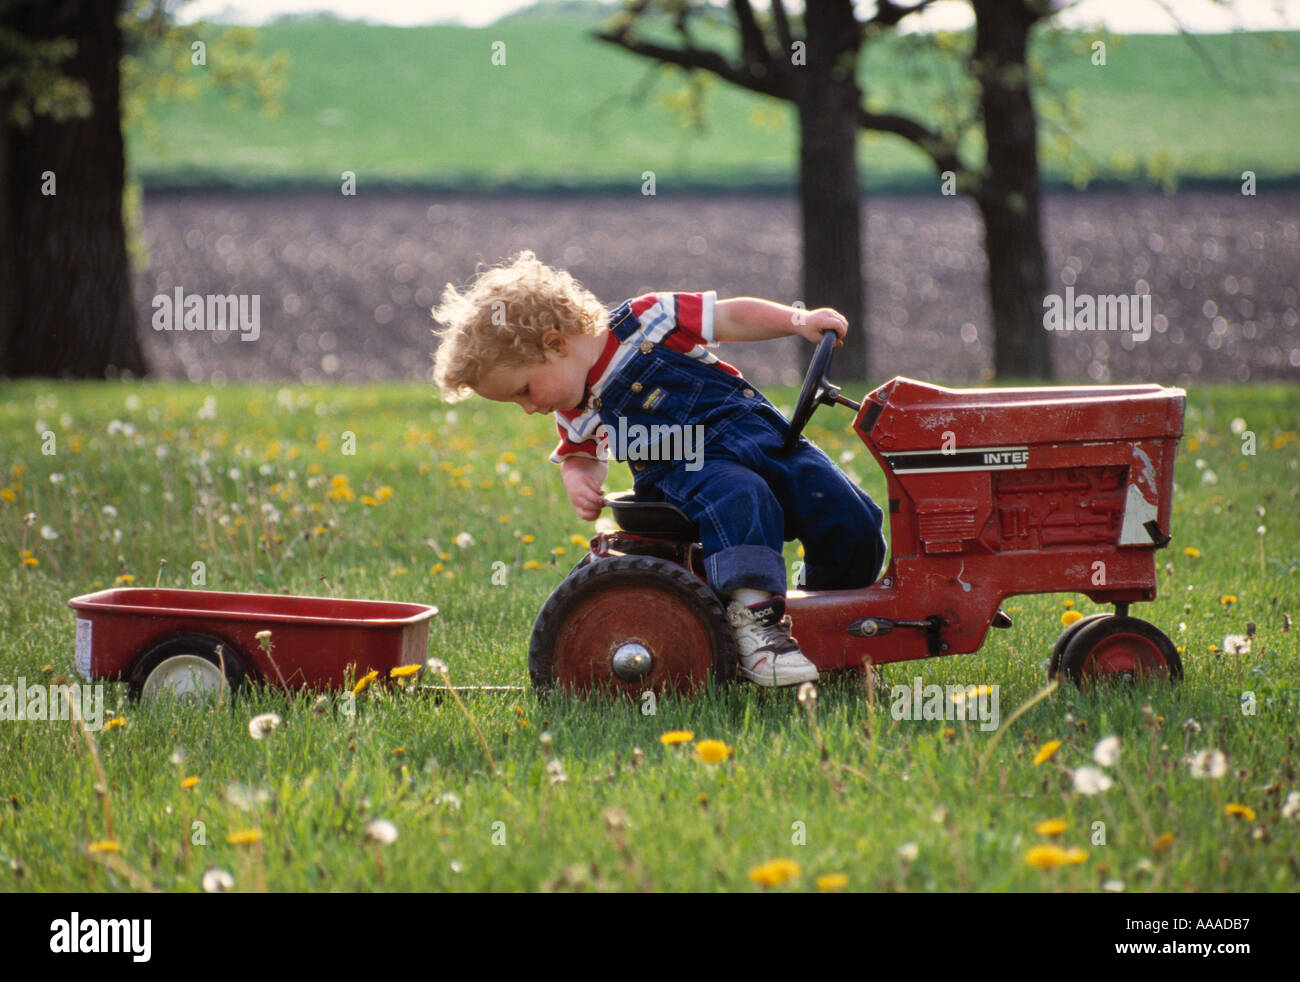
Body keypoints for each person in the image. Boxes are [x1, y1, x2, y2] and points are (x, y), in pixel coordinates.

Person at [432, 251, 886, 687]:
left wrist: (798, 321)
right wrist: (581, 482)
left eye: (524, 391)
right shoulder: (577, 404)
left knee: (852, 516)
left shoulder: (648, 319)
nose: (529, 408)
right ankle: (757, 631)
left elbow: (728, 317)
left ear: (555, 343)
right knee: (742, 495)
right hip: (686, 472)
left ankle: (835, 623)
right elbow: (579, 455)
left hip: (760, 437)